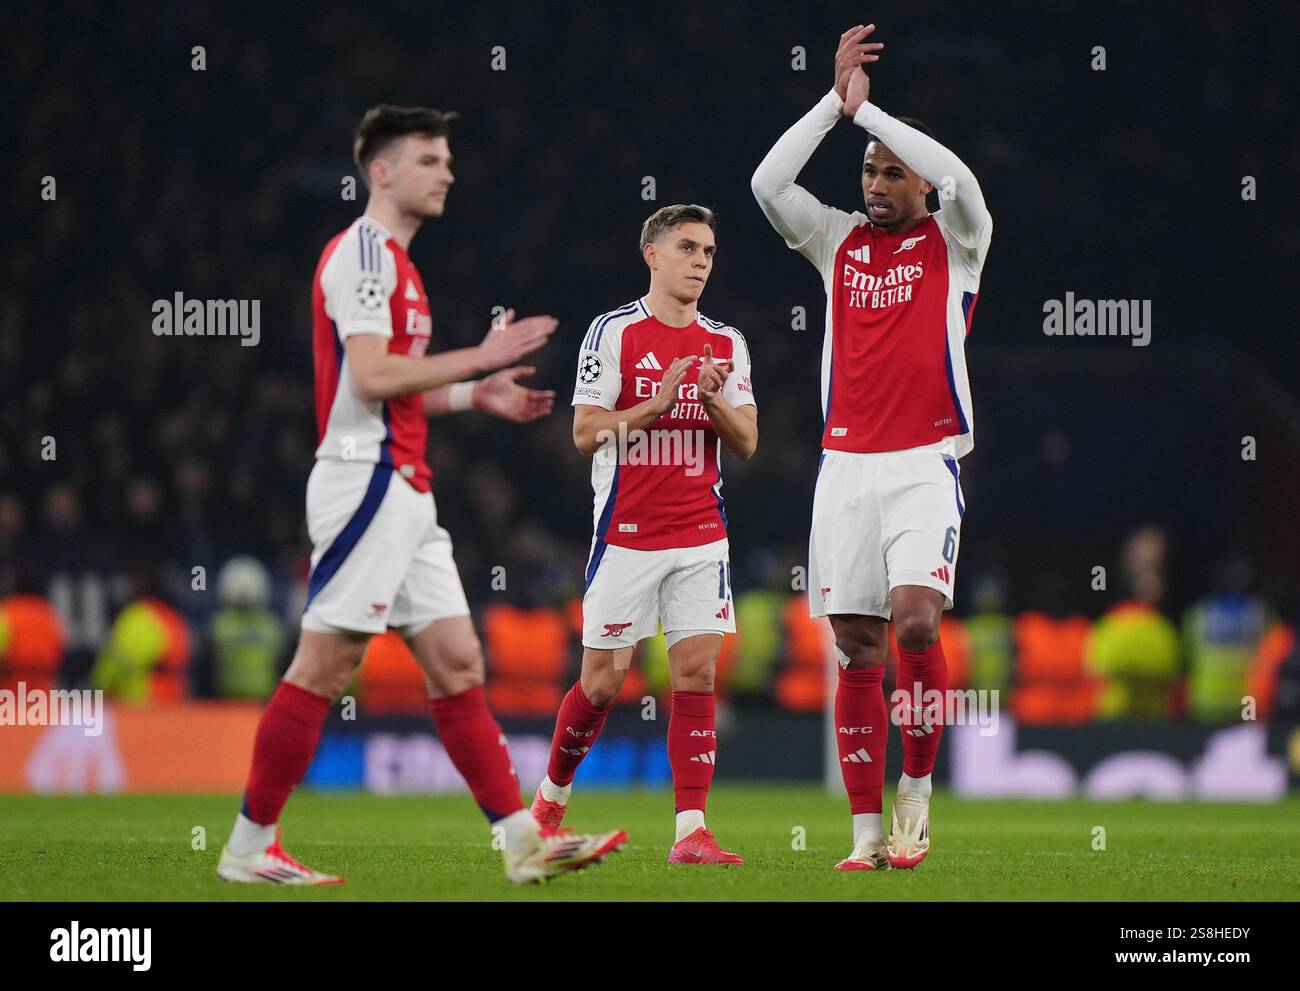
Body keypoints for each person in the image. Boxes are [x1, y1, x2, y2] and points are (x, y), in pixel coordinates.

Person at [217, 105, 625, 886]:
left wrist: (478, 396)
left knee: (457, 660)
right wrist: (479, 355)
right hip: (364, 479)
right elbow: (370, 377)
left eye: (447, 160)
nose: (448, 173)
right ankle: (245, 846)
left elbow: (387, 389)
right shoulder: (364, 255)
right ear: (382, 170)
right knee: (324, 665)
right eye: (431, 160)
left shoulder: (401, 267)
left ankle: (520, 844)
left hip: (404, 483)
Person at [751, 25, 992, 870]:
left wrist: (873, 116)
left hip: (924, 463)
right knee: (858, 646)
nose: (877, 183)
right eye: (869, 171)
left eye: (893, 171)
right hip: (844, 467)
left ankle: (917, 794)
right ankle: (863, 837)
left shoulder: (958, 243)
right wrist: (833, 103)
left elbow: (959, 178)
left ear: (920, 180)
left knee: (916, 624)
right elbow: (766, 181)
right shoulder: (837, 242)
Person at [530, 204, 758, 864]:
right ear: (652, 254)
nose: (701, 261)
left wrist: (711, 399)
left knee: (696, 673)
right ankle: (548, 805)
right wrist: (658, 402)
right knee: (603, 681)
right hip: (626, 533)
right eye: (688, 247)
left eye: (710, 251)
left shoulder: (728, 343)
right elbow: (583, 432)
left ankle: (691, 831)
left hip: (700, 533)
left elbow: (746, 443)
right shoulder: (614, 332)